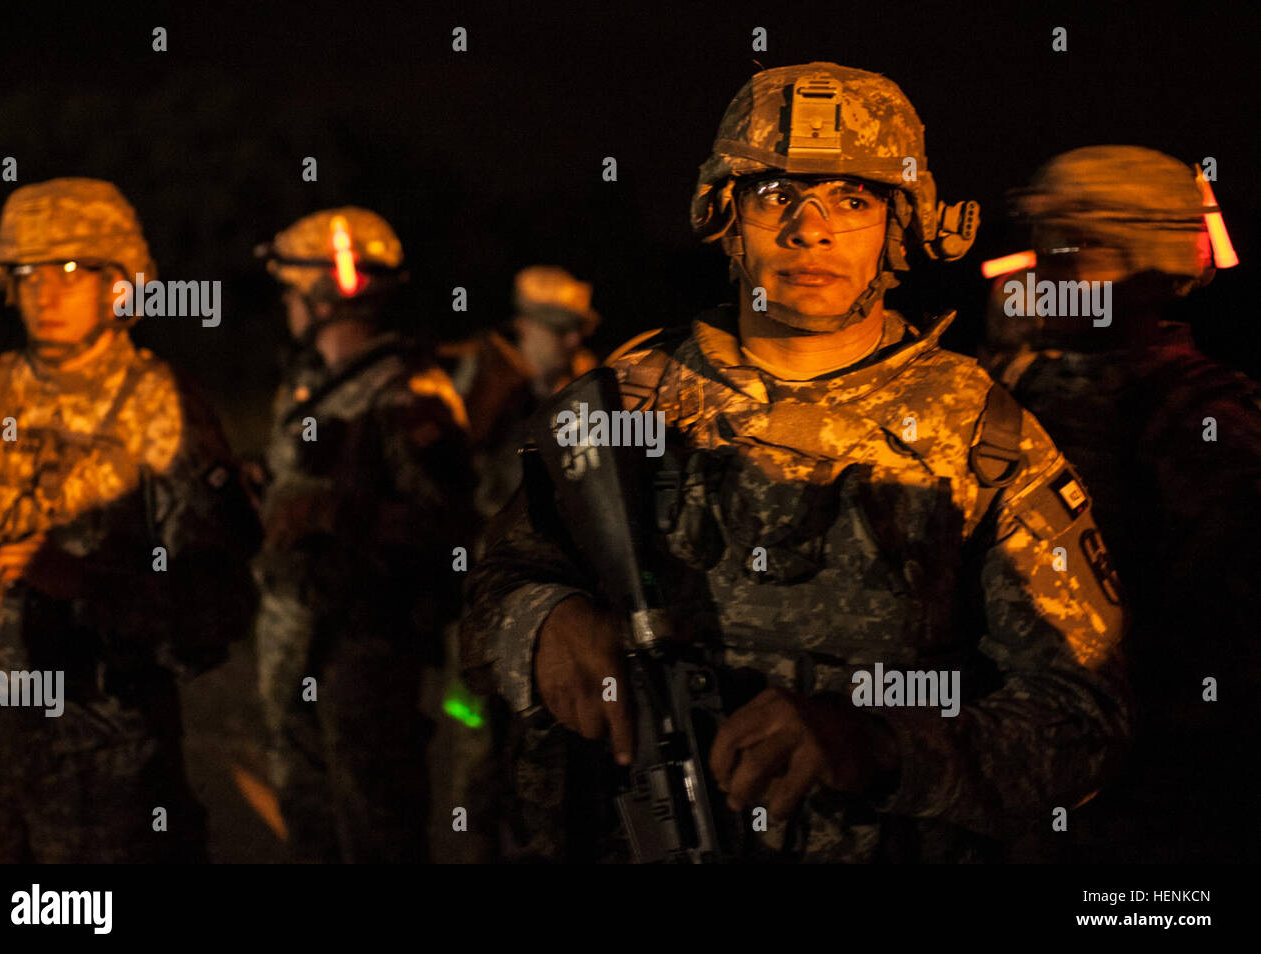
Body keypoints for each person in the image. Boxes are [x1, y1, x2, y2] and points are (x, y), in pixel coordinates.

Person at [460, 63, 1130, 862]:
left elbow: (1083, 720)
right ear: (727, 217)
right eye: (776, 195)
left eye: (852, 199)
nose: (809, 230)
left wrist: (882, 746)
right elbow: (491, 586)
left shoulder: (982, 434)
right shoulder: (621, 405)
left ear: (900, 225)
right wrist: (543, 621)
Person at [0, 177, 260, 862]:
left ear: (121, 283)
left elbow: (218, 600)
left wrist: (89, 587)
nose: (47, 290)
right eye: (30, 272)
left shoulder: (160, 407)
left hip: (106, 778)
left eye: (73, 270)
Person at [981, 146, 1261, 861]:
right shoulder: (1016, 379)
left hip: (1138, 802)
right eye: (1048, 244)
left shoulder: (1198, 413)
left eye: (1083, 248)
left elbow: (1218, 651)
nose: (1052, 268)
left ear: (1155, 265)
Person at [252, 207, 474, 862]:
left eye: (292, 292)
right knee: (310, 818)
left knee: (379, 825)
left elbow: (454, 532)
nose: (287, 308)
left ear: (327, 292)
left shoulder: (410, 393)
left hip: (366, 649)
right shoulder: (306, 388)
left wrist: (338, 516)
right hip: (296, 644)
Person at [440, 265, 600, 519]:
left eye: (579, 328)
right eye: (560, 330)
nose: (574, 340)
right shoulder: (483, 373)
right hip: (490, 526)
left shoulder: (587, 381)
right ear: (524, 326)